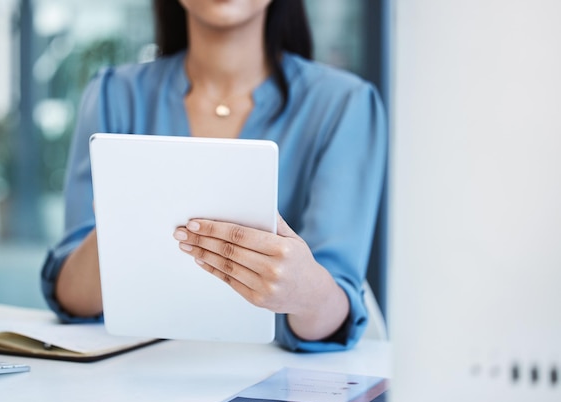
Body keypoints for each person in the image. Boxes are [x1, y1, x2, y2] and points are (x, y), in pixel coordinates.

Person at [41, 0, 387, 352]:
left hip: (272, 377)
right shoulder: (113, 94)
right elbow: (71, 298)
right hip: (133, 372)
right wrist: (121, 225)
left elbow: (336, 301)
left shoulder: (345, 105)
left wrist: (305, 292)